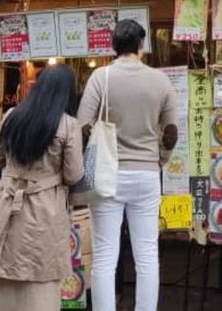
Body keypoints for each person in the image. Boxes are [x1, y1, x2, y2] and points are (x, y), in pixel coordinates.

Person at [78, 19, 179, 311]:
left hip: (108, 174)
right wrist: (157, 161)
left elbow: (83, 126)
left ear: (113, 46)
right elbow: (171, 133)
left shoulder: (102, 77)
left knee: (105, 256)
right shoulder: (160, 80)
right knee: (147, 254)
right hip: (147, 174)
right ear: (141, 45)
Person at [0, 65, 84, 311]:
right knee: (38, 267)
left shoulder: (11, 115)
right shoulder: (68, 125)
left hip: (6, 199)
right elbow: (74, 174)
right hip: (44, 204)